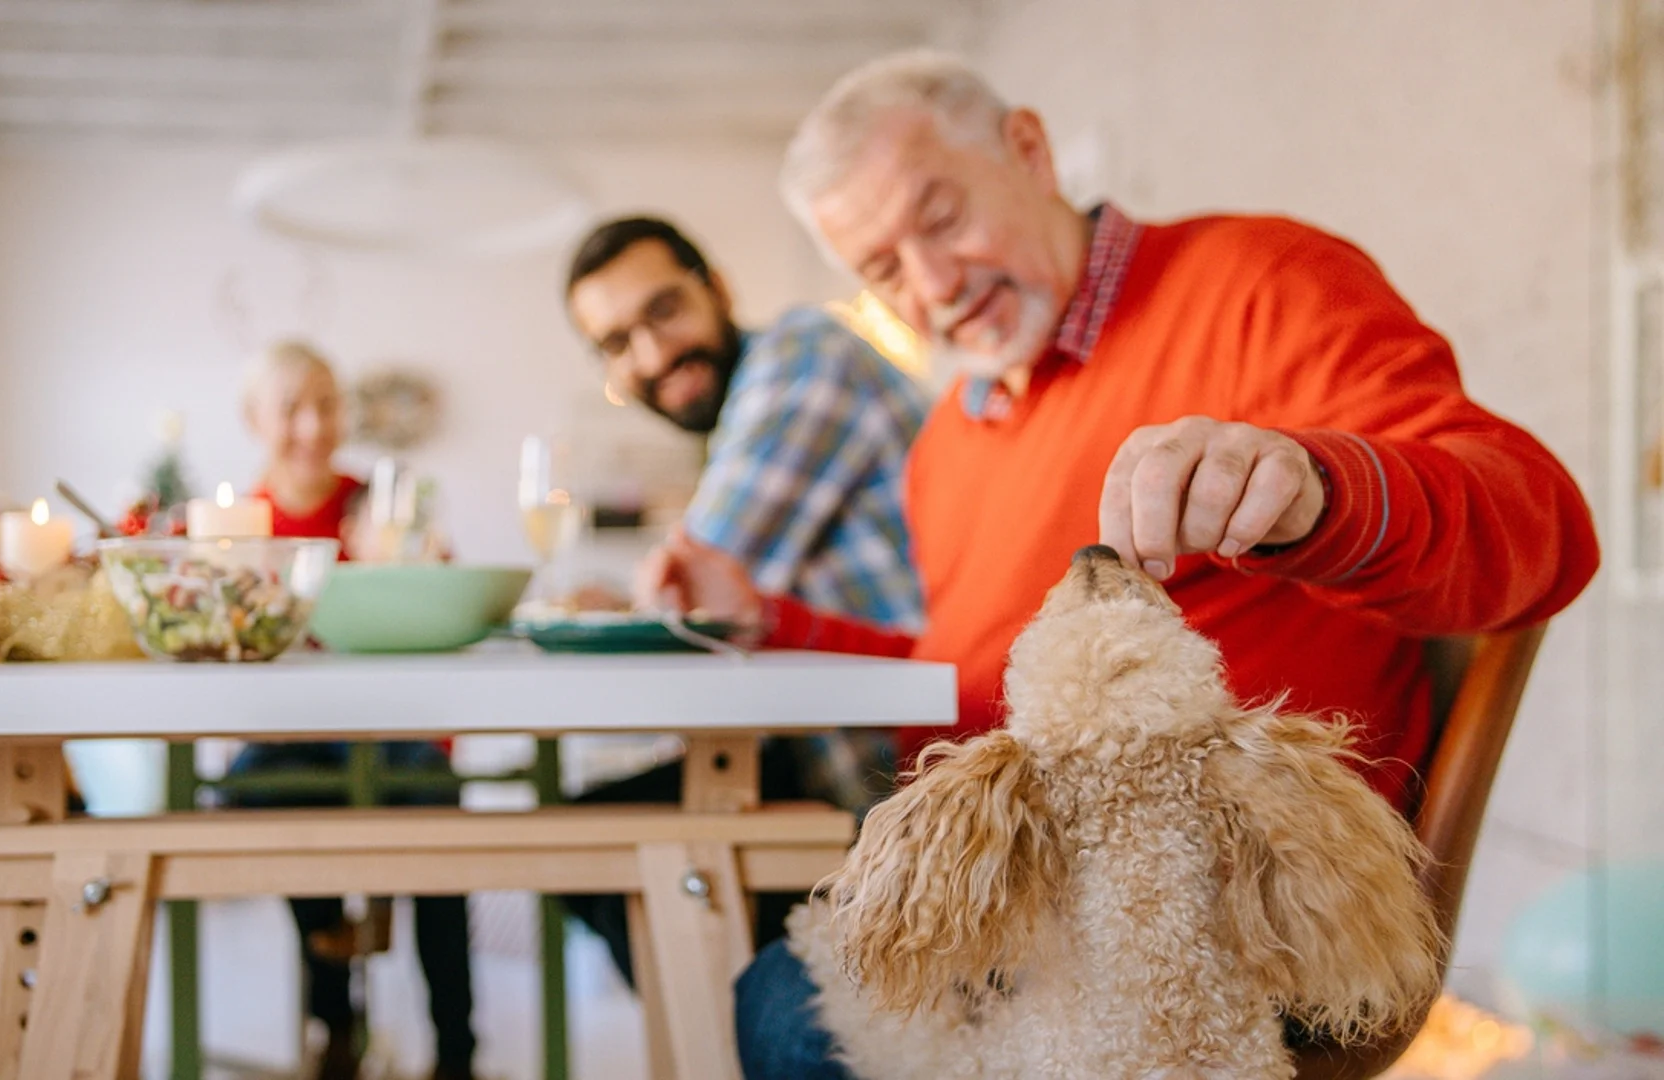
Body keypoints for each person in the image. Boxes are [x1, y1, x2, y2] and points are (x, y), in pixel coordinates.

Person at [631, 52, 1601, 1078]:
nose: (933, 284)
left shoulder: (1260, 285)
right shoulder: (945, 451)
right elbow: (977, 684)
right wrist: (774, 621)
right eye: (882, 270)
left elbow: (1543, 530)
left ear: (1029, 151)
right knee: (762, 950)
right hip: (1033, 906)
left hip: (1245, 916)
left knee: (786, 1006)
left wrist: (1315, 486)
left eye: (943, 217)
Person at [557, 217, 931, 979]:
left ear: (716, 286)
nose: (654, 354)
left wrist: (638, 601)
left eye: (663, 311)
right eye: (618, 343)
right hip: (861, 764)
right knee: (597, 843)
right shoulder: (745, 406)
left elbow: (691, 587)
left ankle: (743, 1029)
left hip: (932, 782)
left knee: (600, 846)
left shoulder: (806, 356)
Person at [220, 341, 478, 1080]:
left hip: (391, 729)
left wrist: (403, 571)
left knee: (436, 807)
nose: (312, 425)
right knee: (259, 794)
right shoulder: (234, 527)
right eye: (291, 408)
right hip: (288, 736)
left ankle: (455, 1050)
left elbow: (444, 611)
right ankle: (333, 1004)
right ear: (254, 420)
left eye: (326, 404)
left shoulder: (384, 506)